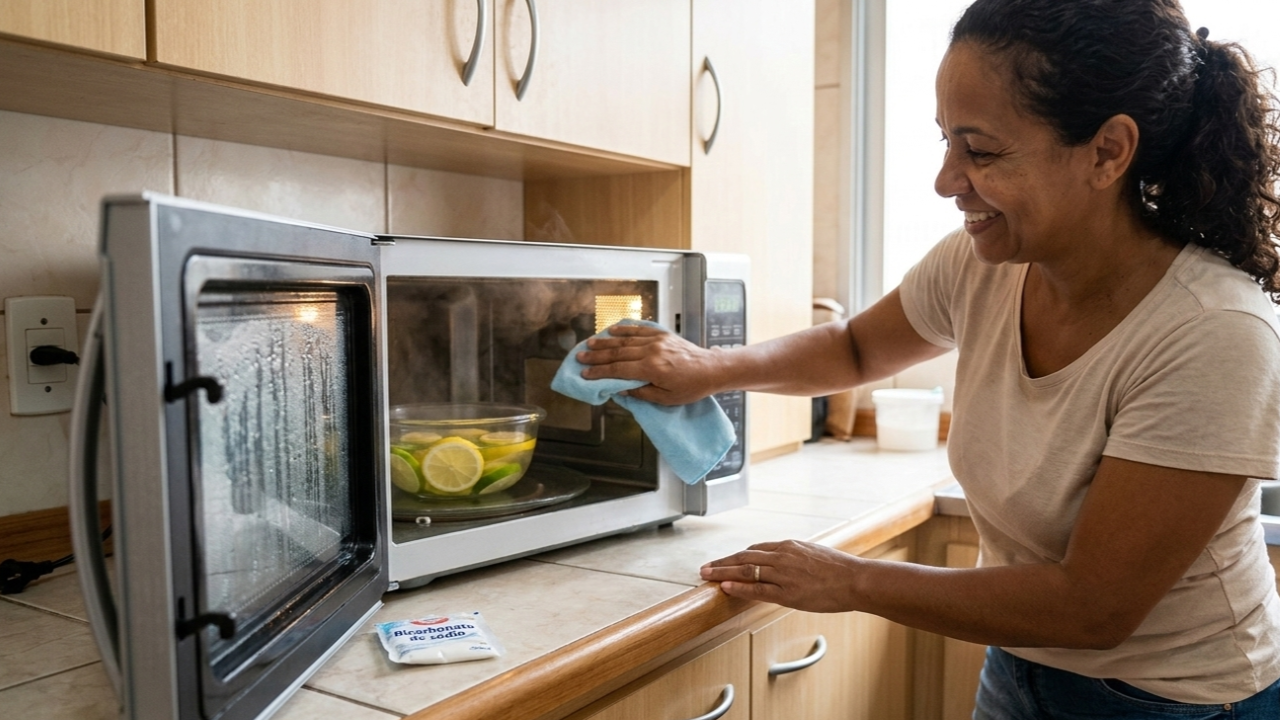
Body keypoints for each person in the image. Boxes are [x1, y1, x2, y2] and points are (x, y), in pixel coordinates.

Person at [575, 0, 1280, 716]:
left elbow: (1092, 607)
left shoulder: (1213, 331)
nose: (946, 180)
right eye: (946, 142)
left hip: (1178, 702)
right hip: (1020, 665)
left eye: (981, 151)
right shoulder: (983, 264)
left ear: (1106, 152)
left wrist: (849, 580)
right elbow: (854, 348)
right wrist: (708, 368)